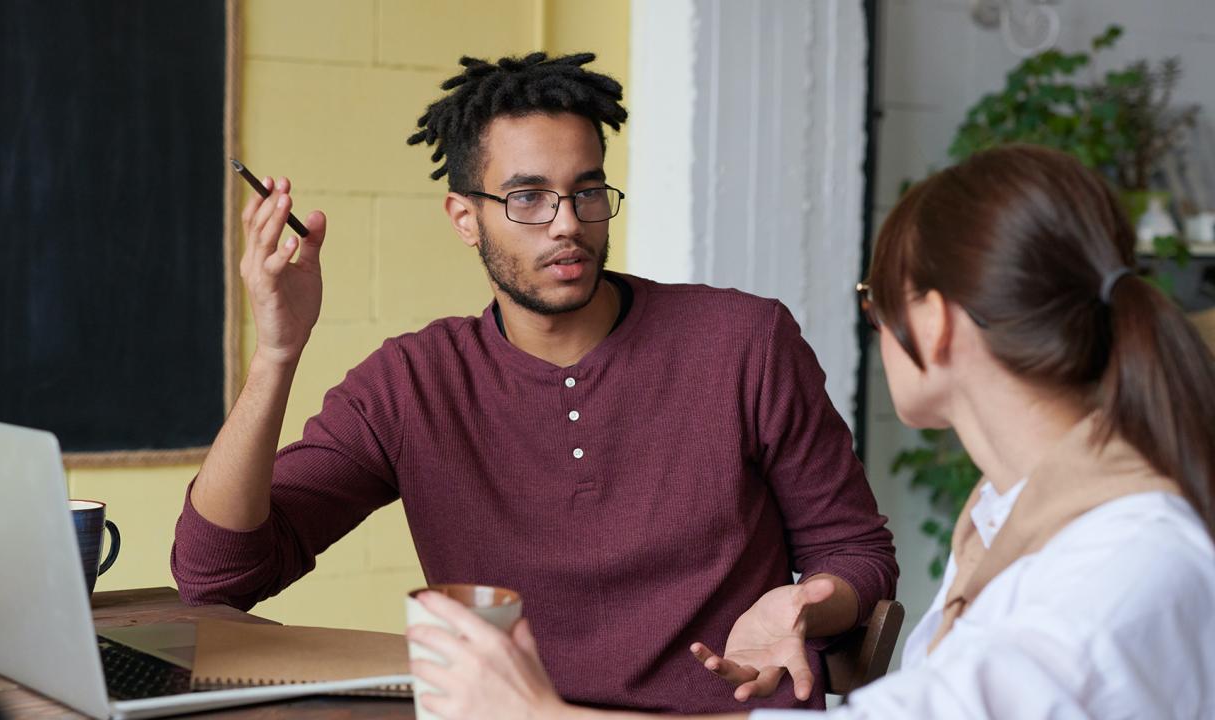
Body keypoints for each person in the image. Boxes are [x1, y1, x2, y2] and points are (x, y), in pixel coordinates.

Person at [170, 52, 897, 714]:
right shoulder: (412, 382)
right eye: (527, 198)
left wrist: (800, 609)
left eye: (586, 192)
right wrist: (277, 354)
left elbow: (858, 553)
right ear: (465, 218)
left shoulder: (743, 341)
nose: (566, 225)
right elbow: (219, 575)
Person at [406, 144, 1215, 719]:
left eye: (874, 300)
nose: (564, 226)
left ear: (932, 325)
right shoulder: (1012, 515)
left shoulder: (1124, 563)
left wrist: (536, 714)